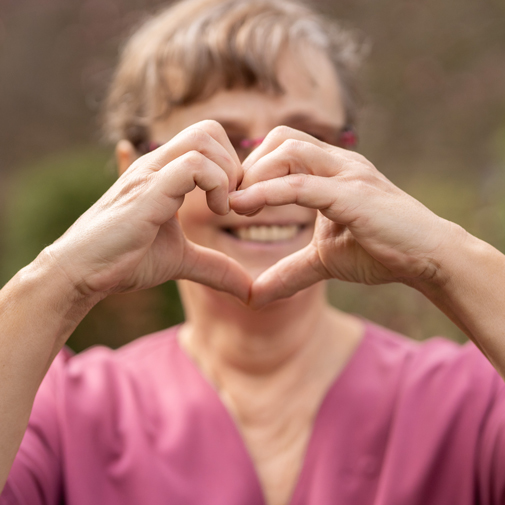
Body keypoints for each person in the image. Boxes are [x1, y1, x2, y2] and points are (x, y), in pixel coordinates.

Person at [1, 0, 505, 504]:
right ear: (134, 171)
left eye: (309, 138)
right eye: (222, 142)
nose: (268, 180)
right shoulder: (60, 414)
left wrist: (445, 257)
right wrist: (59, 279)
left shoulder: (471, 401)